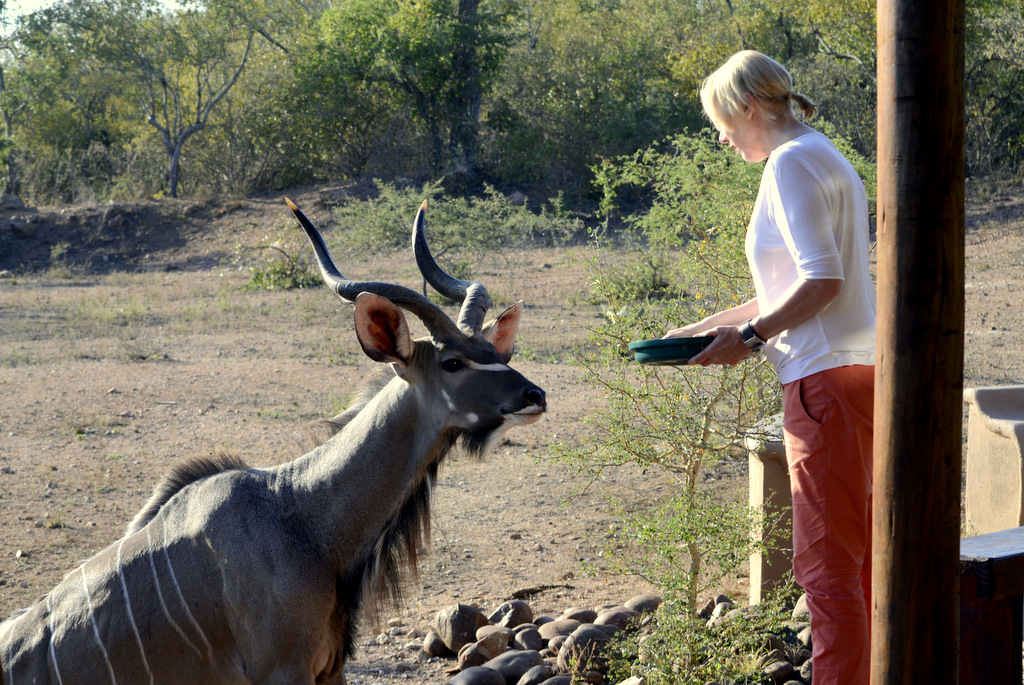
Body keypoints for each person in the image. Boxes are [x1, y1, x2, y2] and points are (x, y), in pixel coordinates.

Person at [664, 50, 876, 685]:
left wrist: (750, 338)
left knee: (825, 569)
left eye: (720, 125)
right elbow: (796, 283)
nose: (722, 138)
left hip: (821, 383)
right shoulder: (821, 153)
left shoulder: (788, 163)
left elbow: (824, 281)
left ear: (746, 108)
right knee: (856, 558)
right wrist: (705, 330)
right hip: (853, 372)